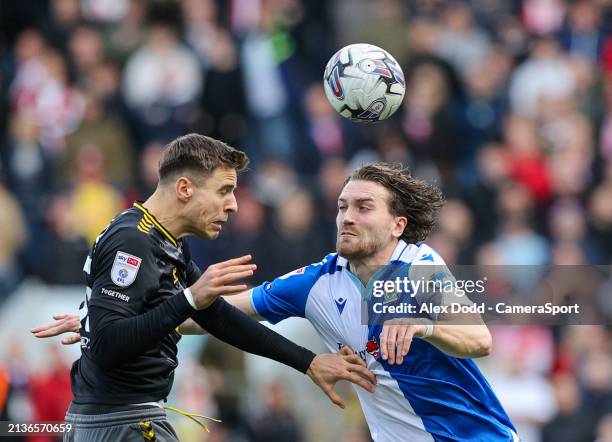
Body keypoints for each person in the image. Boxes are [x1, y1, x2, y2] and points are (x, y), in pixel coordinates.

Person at [35, 162, 518, 441]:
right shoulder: (317, 284)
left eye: (363, 208)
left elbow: (479, 339)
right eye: (342, 206)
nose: (346, 217)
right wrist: (101, 316)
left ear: (398, 225)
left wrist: (423, 326)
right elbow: (209, 318)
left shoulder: (419, 266)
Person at [32, 134, 375, 442]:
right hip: (121, 421)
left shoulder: (166, 242)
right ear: (184, 189)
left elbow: (218, 317)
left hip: (126, 418)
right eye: (225, 190)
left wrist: (308, 362)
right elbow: (108, 344)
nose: (234, 204)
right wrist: (189, 298)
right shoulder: (133, 241)